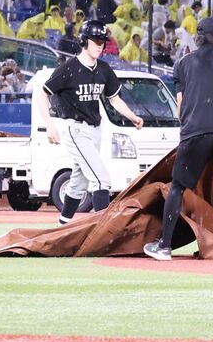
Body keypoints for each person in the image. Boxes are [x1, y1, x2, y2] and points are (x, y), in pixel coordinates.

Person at [145, 16, 213, 263]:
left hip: (196, 131)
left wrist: (191, 125)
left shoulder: (182, 63)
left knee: (178, 188)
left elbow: (181, 104)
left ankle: (165, 247)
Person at [35, 20, 144, 226]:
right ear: (83, 41)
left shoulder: (103, 69)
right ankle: (103, 231)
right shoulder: (68, 68)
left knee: (78, 182)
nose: (100, 45)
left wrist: (132, 116)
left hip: (95, 131)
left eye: (103, 41)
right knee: (101, 179)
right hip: (75, 129)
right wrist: (49, 124)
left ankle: (62, 225)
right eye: (95, 40)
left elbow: (114, 98)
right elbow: (42, 93)